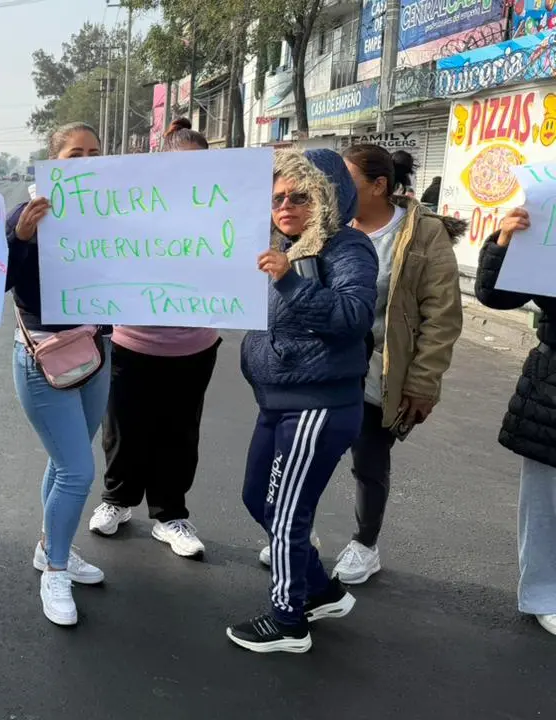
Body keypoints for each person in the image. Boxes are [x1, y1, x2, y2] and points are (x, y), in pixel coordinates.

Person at [227, 149, 378, 654]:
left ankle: (289, 620)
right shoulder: (280, 247)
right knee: (258, 497)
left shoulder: (347, 247)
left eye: (300, 195)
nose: (286, 204)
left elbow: (355, 315)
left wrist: (287, 280)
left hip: (318, 403)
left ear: (329, 196)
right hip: (278, 400)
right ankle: (320, 590)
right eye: (277, 197)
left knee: (288, 514)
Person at [89, 118, 220, 561]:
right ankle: (116, 501)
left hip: (195, 344)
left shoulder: (224, 210)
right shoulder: (130, 209)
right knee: (123, 426)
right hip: (132, 339)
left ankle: (170, 515)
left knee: (179, 430)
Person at [332, 144, 463, 584]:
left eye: (345, 181)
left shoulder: (422, 234)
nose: (333, 190)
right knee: (308, 453)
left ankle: (364, 544)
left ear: (379, 185)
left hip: (379, 372)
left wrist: (423, 383)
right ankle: (296, 536)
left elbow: (442, 315)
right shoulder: (328, 224)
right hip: (325, 368)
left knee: (368, 461)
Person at [7, 121, 110, 626]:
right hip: (44, 357)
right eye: (75, 153)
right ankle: (55, 569)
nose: (86, 160)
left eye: (94, 152)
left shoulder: (115, 215)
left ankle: (53, 544)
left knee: (67, 458)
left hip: (95, 351)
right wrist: (23, 237)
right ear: (53, 162)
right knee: (77, 469)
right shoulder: (25, 214)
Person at [474, 207, 556, 638]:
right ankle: (545, 594)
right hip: (553, 382)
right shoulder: (547, 218)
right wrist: (504, 240)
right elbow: (496, 296)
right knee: (546, 496)